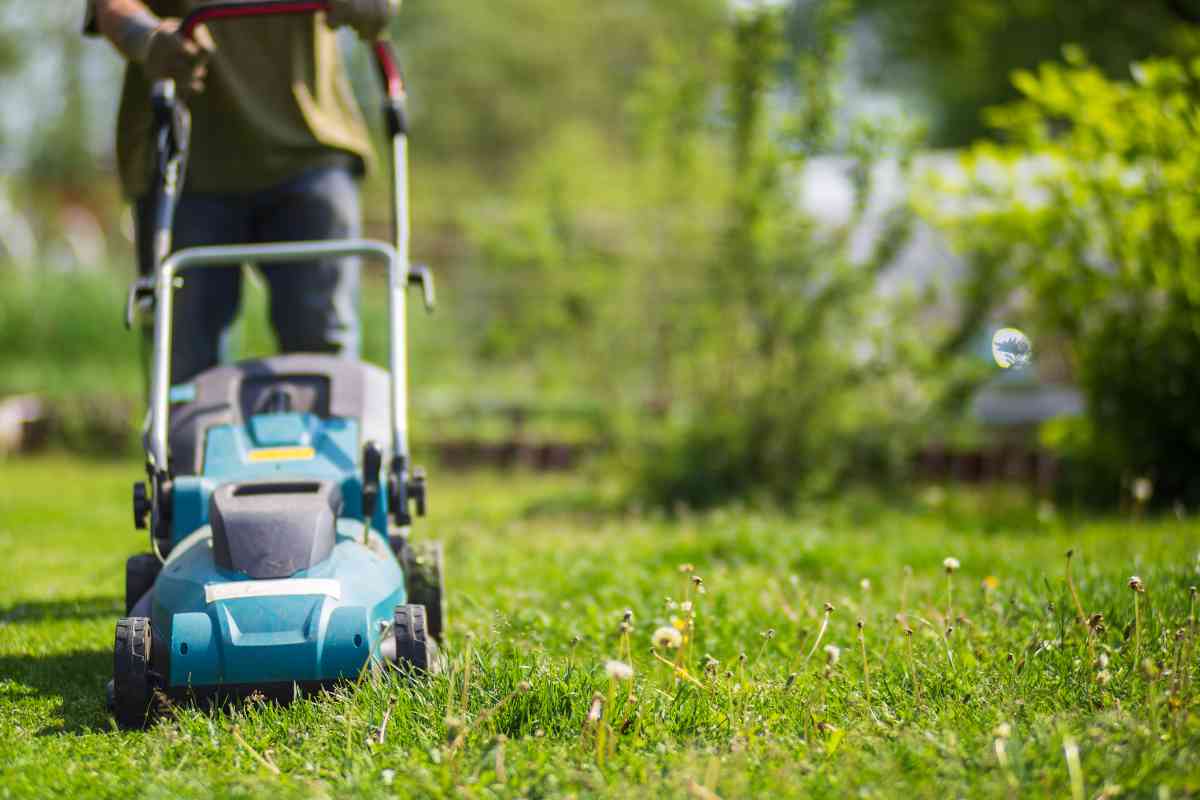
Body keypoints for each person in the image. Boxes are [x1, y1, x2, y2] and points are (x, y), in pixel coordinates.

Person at [86, 0, 399, 383]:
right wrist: (149, 39)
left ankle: (327, 439)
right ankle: (189, 442)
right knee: (184, 365)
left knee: (323, 353)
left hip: (311, 150)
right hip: (184, 164)